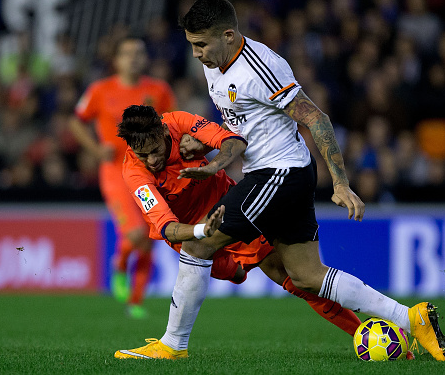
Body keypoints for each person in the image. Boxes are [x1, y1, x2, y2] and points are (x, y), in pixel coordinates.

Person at [120, 0, 445, 361]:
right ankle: (412, 318)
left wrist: (340, 182)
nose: (196, 54)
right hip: (282, 174)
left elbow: (317, 118)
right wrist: (205, 147)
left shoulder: (260, 68)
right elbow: (240, 126)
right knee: (308, 275)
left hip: (278, 173)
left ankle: (172, 345)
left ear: (228, 35)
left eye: (201, 44)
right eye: (192, 45)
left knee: (198, 244)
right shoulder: (213, 64)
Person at [113, 105, 363, 358]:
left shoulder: (180, 122)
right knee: (241, 272)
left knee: (290, 275)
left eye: (155, 151)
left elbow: (230, 138)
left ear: (164, 131)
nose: (152, 161)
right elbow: (166, 227)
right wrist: (202, 230)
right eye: (143, 155)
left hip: (228, 207)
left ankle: (364, 331)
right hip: (195, 236)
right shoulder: (134, 173)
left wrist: (205, 148)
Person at [69, 36, 176, 318]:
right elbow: (75, 121)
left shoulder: (158, 90)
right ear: (116, 60)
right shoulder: (100, 90)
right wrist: (94, 149)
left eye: (139, 52)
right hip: (116, 172)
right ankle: (119, 264)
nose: (134, 58)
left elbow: (171, 126)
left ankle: (135, 300)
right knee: (137, 233)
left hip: (147, 173)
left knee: (152, 234)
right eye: (127, 53)